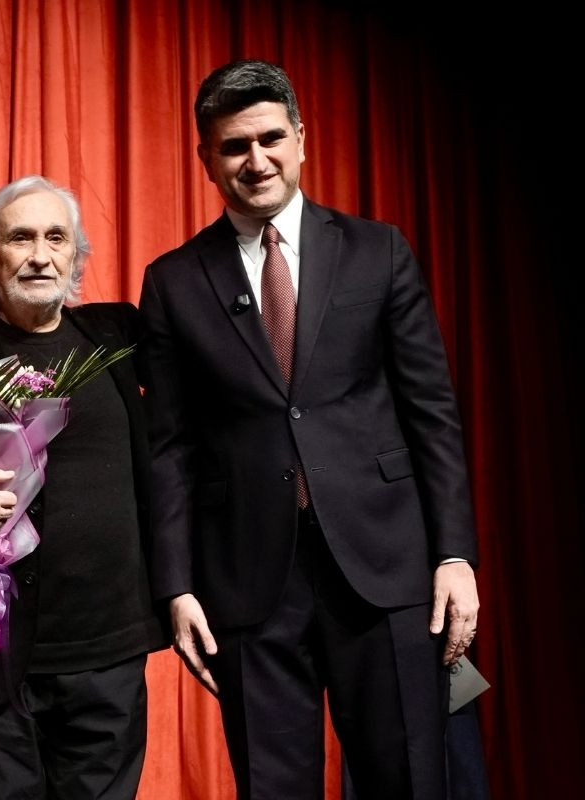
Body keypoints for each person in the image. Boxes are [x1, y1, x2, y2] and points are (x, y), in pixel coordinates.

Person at [139, 60, 481, 799]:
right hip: (247, 579)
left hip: (386, 567)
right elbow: (169, 448)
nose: (255, 160)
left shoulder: (377, 250)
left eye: (270, 139)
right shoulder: (172, 280)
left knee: (410, 779)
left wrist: (454, 554)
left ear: (301, 139)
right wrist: (176, 587)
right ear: (205, 159)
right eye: (234, 146)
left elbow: (432, 412)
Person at [0, 175, 165, 799]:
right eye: (20, 238)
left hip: (108, 653)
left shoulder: (117, 336)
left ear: (76, 256)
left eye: (56, 238)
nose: (40, 255)